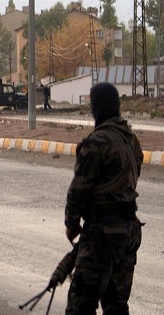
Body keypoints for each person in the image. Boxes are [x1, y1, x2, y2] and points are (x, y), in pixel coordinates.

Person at [64, 82, 143, 315]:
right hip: (128, 233)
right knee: (117, 307)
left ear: (96, 108)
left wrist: (71, 224)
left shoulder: (96, 143)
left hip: (102, 236)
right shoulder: (131, 141)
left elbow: (78, 190)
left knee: (80, 306)